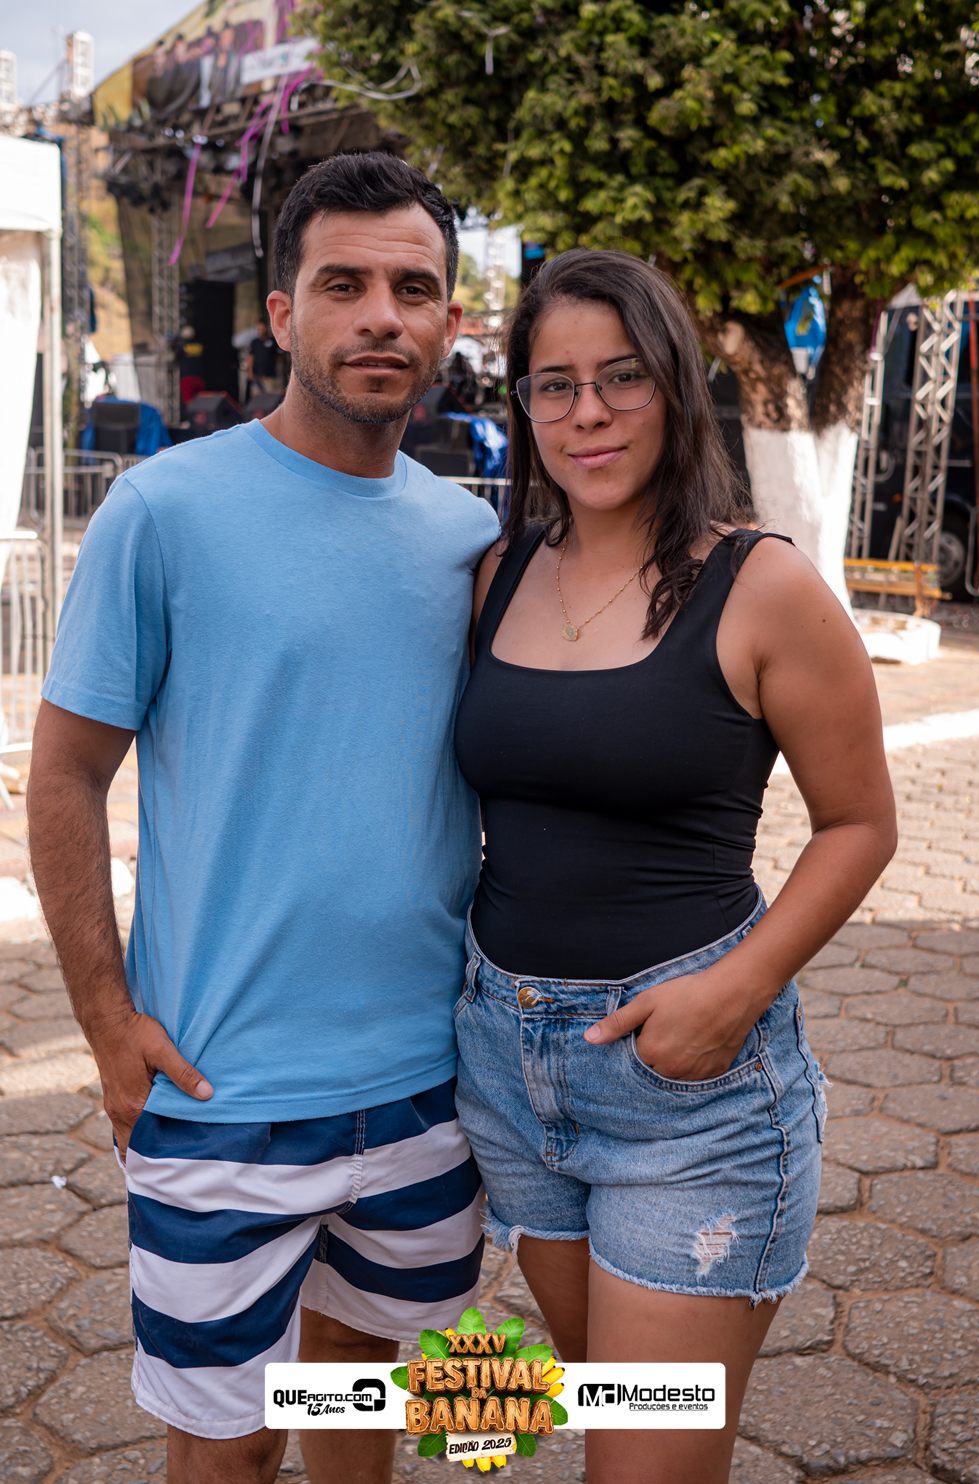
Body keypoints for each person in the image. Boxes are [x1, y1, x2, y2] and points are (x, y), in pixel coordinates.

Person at [27, 152, 499, 1484]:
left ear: (448, 321)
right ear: (282, 313)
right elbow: (64, 775)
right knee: (225, 1448)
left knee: (359, 1405)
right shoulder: (164, 510)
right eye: (342, 284)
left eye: (413, 288)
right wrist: (105, 1026)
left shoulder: (470, 541)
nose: (381, 317)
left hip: (428, 1089)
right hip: (217, 1090)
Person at [453, 248, 897, 1484]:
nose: (585, 413)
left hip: (686, 1091)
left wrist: (736, 990)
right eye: (552, 384)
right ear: (522, 403)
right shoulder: (498, 572)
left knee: (642, 1466)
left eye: (621, 376)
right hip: (504, 1069)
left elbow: (859, 822)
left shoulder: (761, 585)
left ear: (675, 385)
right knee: (614, 1410)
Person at [247, 316, 279, 395]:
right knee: (257, 397)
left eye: (262, 328)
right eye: (259, 328)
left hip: (269, 376)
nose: (260, 330)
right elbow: (250, 357)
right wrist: (249, 372)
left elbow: (279, 357)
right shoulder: (254, 342)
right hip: (257, 376)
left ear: (266, 328)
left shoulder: (273, 341)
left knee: (270, 396)